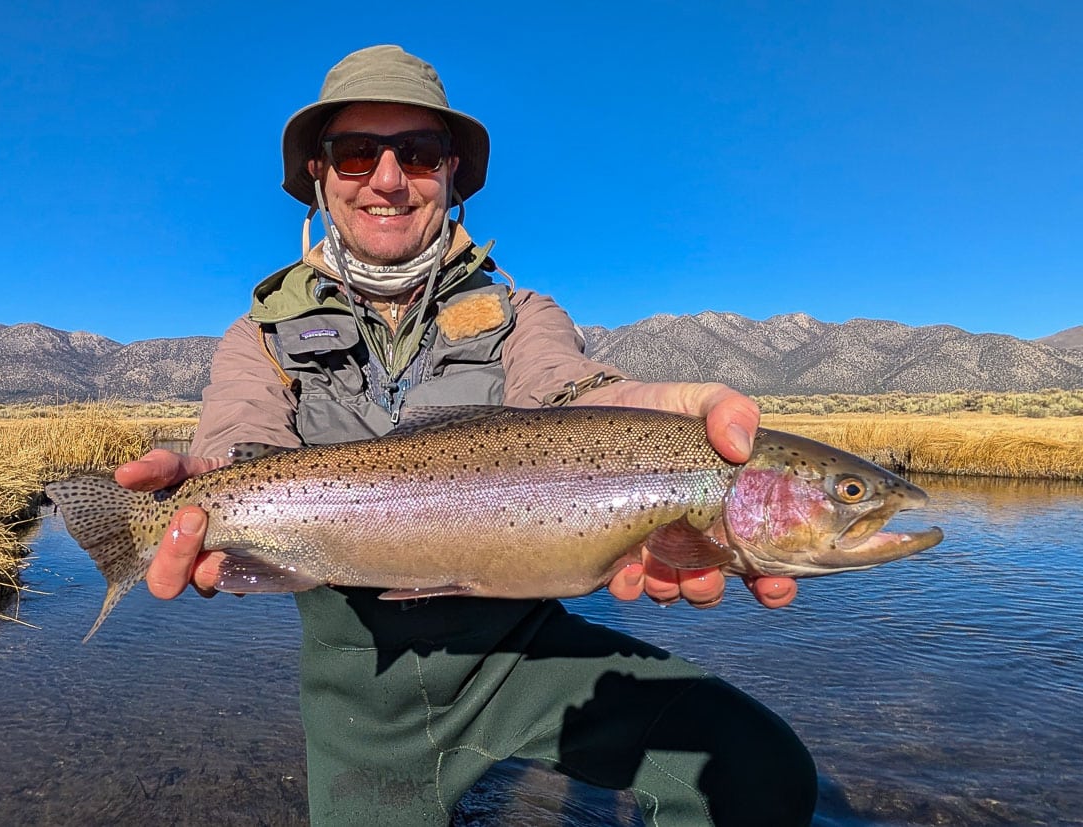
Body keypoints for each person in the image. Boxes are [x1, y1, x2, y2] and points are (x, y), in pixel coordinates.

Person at [116, 45, 818, 825]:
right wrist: (196, 492)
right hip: (359, 700)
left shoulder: (525, 316)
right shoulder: (258, 337)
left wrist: (639, 413)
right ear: (320, 176)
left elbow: (572, 388)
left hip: (519, 661)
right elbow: (238, 441)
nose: (388, 178)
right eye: (357, 154)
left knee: (760, 769)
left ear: (452, 176)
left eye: (416, 153)